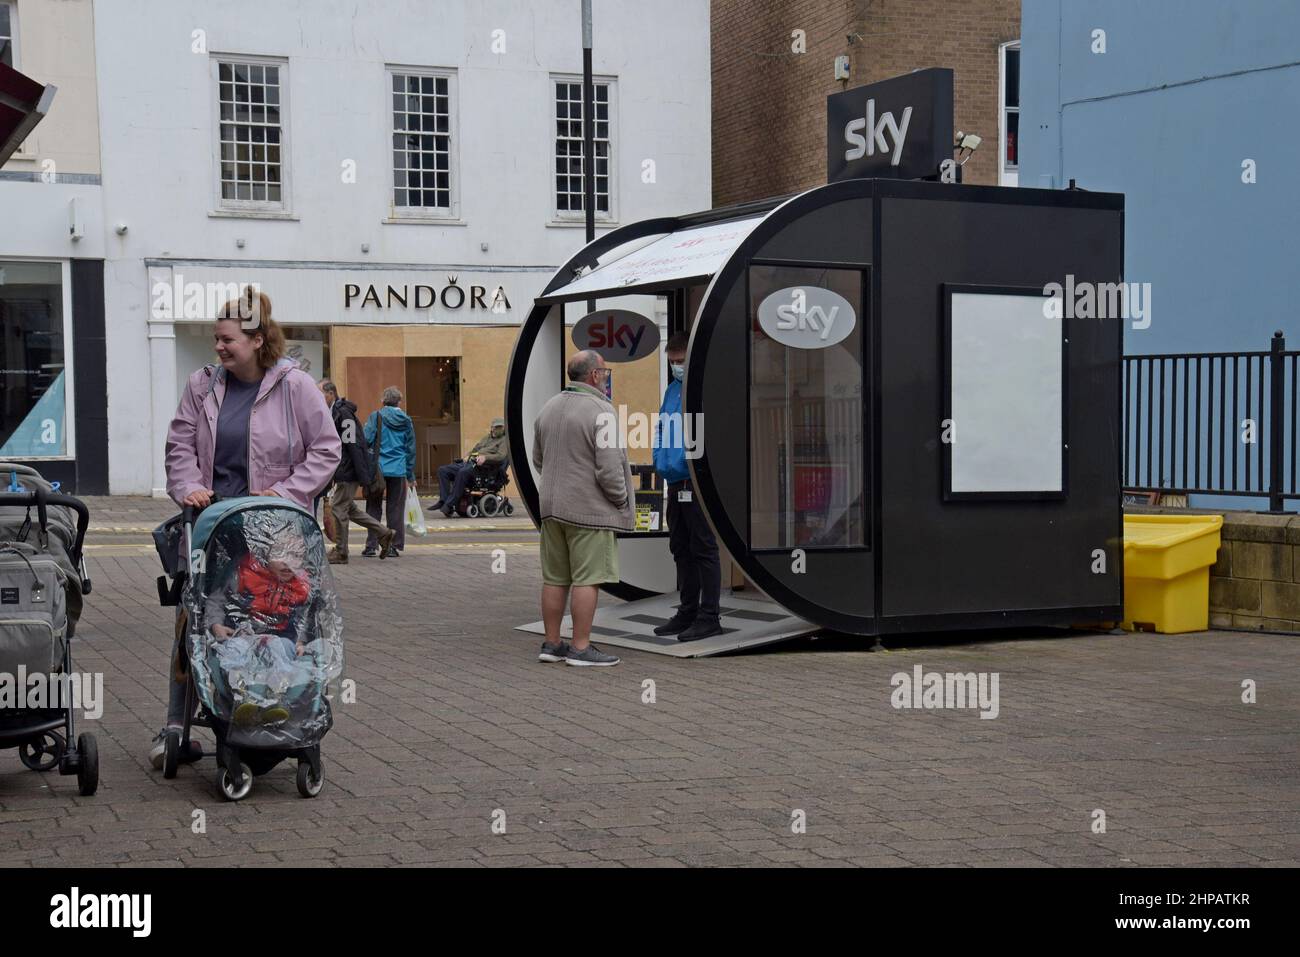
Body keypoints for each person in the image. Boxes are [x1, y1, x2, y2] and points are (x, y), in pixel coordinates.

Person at [153, 286, 340, 769]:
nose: (218, 347)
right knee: (196, 622)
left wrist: (287, 492)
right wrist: (189, 484)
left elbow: (326, 449)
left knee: (277, 621)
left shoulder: (294, 386)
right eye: (216, 338)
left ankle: (279, 712)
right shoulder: (201, 386)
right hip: (212, 525)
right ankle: (177, 725)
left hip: (275, 529)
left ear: (258, 340)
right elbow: (179, 446)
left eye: (227, 338)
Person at [531, 350, 633, 666]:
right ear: (594, 375)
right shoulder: (602, 411)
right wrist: (621, 500)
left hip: (551, 507)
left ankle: (551, 644)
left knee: (555, 577)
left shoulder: (548, 407)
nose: (606, 376)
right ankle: (580, 647)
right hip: (589, 510)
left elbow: (538, 458)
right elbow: (609, 468)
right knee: (588, 578)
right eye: (605, 371)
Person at [205, 537, 320, 727]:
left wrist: (301, 641)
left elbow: (306, 618)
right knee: (235, 650)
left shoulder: (302, 586)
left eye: (295, 556)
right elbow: (216, 601)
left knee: (281, 650)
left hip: (280, 638)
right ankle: (245, 696)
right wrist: (216, 625)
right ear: (265, 555)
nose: (287, 562)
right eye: (280, 555)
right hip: (241, 634)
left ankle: (277, 698)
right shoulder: (245, 573)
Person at [652, 333, 723, 641]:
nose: (676, 367)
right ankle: (688, 611)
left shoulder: (703, 390)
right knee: (680, 547)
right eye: (672, 362)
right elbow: (661, 429)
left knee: (703, 548)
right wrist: (659, 460)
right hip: (673, 480)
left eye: (681, 361)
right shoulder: (671, 391)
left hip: (694, 482)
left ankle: (709, 616)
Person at [318, 379, 395, 563]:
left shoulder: (343, 414)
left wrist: (361, 475)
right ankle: (384, 533)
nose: (318, 398)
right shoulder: (336, 412)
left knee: (338, 508)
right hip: (345, 468)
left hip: (347, 470)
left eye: (320, 393)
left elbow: (352, 444)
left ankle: (341, 551)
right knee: (349, 508)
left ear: (330, 393)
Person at [361, 386, 416, 558]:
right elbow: (410, 449)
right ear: (399, 401)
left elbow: (367, 440)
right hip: (398, 469)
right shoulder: (406, 420)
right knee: (395, 509)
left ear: (382, 401)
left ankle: (371, 545)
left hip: (378, 469)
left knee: (373, 507)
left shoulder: (376, 416)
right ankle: (394, 546)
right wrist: (410, 474)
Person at [434, 416, 509, 517]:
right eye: (497, 427)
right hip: (471, 462)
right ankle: (443, 500)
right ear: (492, 428)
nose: (499, 429)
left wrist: (485, 457)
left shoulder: (504, 440)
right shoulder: (487, 438)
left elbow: (501, 456)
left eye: (501, 427)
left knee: (463, 473)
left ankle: (449, 505)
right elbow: (476, 448)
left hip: (484, 468)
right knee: (443, 470)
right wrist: (467, 456)